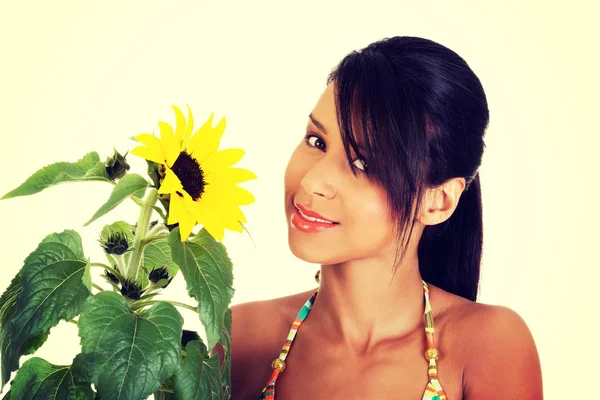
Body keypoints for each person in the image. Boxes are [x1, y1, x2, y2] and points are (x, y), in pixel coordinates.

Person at [224, 36, 543, 399]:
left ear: (437, 201)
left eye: (364, 163)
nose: (312, 182)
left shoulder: (491, 345)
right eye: (317, 142)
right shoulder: (241, 337)